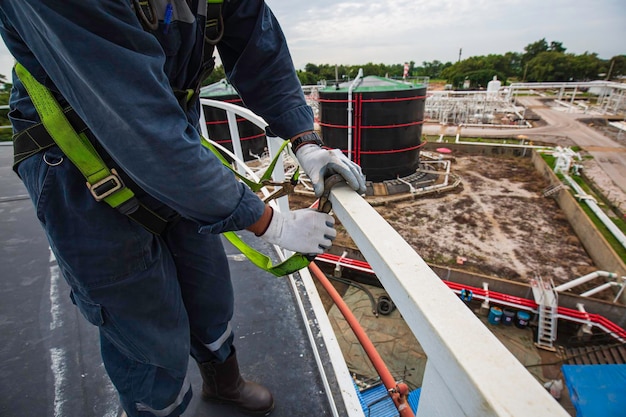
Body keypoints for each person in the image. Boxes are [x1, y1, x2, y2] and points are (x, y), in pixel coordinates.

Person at [0, 1, 365, 417]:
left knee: (208, 290)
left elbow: (259, 51)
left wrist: (306, 142)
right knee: (145, 326)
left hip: (176, 145)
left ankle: (223, 383)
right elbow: (135, 123)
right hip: (78, 165)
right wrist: (271, 224)